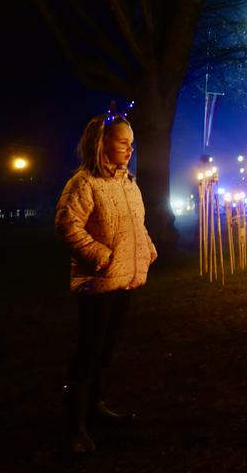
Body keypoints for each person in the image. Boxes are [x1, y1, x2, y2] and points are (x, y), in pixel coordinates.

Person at [55, 114, 157, 454]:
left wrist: (146, 250)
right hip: (98, 282)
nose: (130, 148)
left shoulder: (128, 183)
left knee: (105, 350)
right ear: (102, 144)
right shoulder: (84, 184)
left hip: (125, 280)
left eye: (131, 142)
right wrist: (99, 256)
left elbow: (135, 224)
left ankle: (95, 410)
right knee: (88, 351)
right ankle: (75, 428)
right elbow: (68, 226)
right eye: (122, 142)